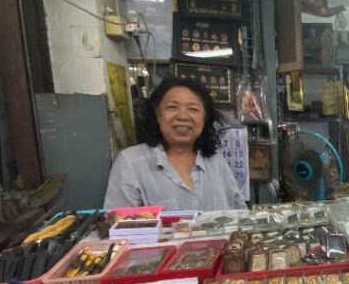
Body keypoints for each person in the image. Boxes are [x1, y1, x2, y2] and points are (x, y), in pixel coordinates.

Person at [104, 76, 247, 210]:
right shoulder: (131, 163)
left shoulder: (216, 162)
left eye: (193, 109)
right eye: (172, 107)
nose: (183, 116)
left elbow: (240, 214)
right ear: (157, 114)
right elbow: (118, 226)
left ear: (205, 118)